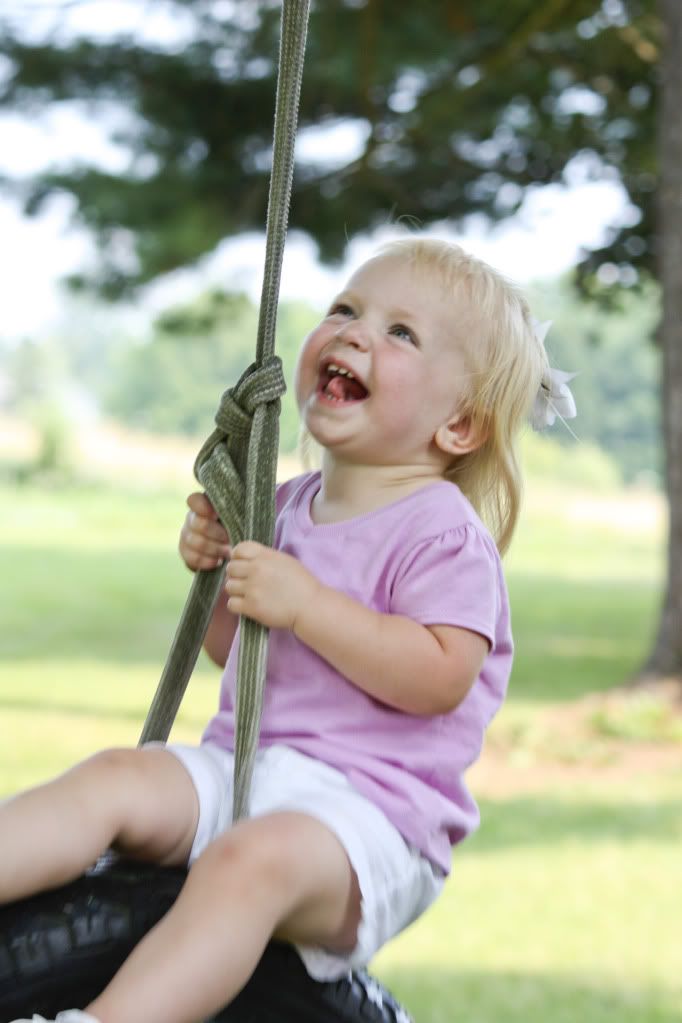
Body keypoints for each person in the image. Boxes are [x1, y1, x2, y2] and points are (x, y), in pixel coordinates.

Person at [3, 238, 575, 1023]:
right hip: (244, 772)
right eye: (347, 309)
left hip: (367, 825)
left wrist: (305, 602)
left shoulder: (445, 534)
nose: (354, 332)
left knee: (248, 863)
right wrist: (217, 580)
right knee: (116, 776)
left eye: (401, 332)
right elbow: (236, 654)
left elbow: (439, 677)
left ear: (462, 425)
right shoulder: (284, 504)